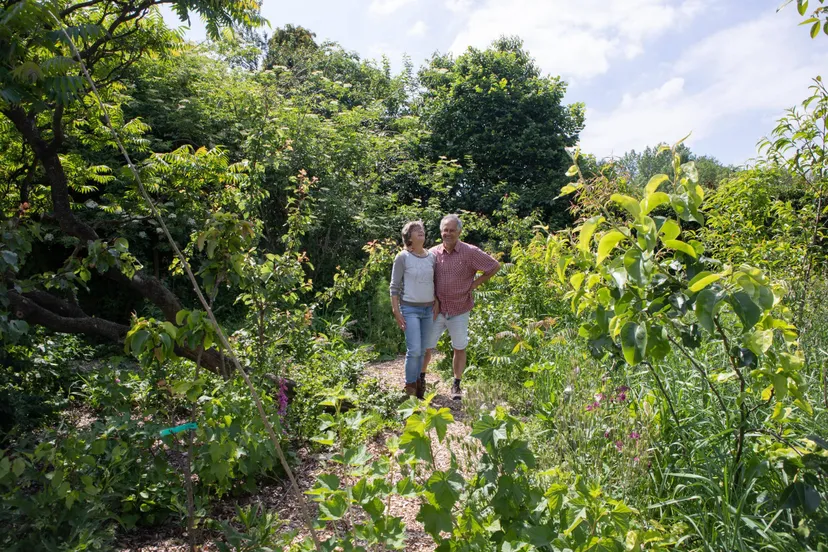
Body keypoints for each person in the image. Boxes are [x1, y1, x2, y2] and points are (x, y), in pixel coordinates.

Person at [422, 214, 500, 400]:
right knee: (426, 347)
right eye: (445, 230)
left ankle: (456, 385)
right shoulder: (432, 253)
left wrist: (474, 285)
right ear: (441, 231)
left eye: (452, 230)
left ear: (459, 231)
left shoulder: (470, 252)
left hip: (460, 308)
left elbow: (494, 266)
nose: (448, 233)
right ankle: (421, 380)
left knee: (459, 347)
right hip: (437, 309)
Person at [389, 221, 438, 398]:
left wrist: (437, 303)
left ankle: (418, 388)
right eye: (416, 231)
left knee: (424, 350)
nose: (421, 232)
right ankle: (409, 389)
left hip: (428, 309)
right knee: (414, 350)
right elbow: (394, 286)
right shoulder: (402, 257)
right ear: (408, 237)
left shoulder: (431, 257)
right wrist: (396, 311)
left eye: (422, 230)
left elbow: (435, 283)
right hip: (409, 309)